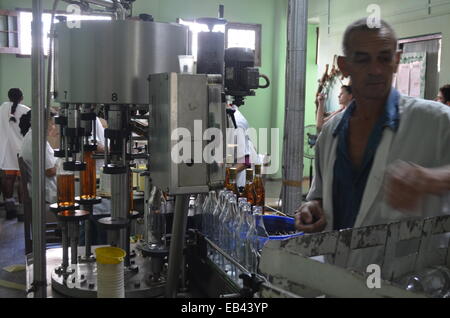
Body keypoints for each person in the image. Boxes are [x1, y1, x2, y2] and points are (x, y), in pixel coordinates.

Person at [295, 18, 450, 270]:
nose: (376, 69)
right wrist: (311, 208)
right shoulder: (331, 133)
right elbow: (320, 197)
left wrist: (433, 179)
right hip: (340, 278)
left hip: (411, 283)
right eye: (363, 59)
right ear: (344, 66)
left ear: (397, 61)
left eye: (384, 58)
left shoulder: (436, 121)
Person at [0, 88, 31, 219]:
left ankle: (9, 207)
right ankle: (22, 210)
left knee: (8, 179)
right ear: (22, 97)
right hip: (21, 149)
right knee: (22, 180)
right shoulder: (25, 110)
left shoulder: (2, 108)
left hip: (6, 149)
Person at [19, 110, 58, 205]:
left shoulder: (30, 136)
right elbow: (50, 171)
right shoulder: (39, 141)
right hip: (47, 192)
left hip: (37, 189)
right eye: (51, 124)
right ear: (43, 122)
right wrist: (63, 162)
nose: (53, 127)